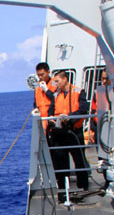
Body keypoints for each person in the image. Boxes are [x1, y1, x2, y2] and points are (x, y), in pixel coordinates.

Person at [48, 70, 90, 200]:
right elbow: (51, 110)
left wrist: (69, 118)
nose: (56, 84)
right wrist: (51, 119)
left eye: (57, 81)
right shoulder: (56, 95)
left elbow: (83, 109)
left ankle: (83, 188)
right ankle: (63, 191)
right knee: (61, 163)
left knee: (79, 160)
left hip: (74, 132)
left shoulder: (78, 91)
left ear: (65, 79)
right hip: (60, 133)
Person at [33, 62, 57, 135]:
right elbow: (36, 101)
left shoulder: (55, 83)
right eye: (38, 75)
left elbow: (56, 98)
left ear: (48, 72)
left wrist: (46, 90)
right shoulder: (37, 86)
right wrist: (35, 108)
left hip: (52, 119)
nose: (40, 77)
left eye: (42, 74)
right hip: (41, 120)